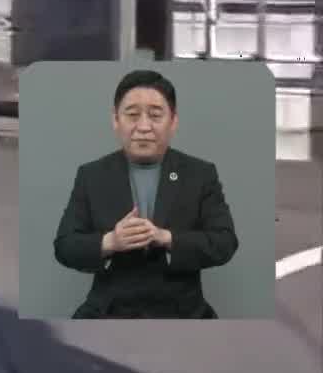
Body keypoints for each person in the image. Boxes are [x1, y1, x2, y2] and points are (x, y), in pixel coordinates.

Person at [52, 68, 238, 318]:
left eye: (155, 115)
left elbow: (225, 242)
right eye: (132, 115)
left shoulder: (200, 174)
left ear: (173, 122)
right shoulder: (91, 175)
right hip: (109, 311)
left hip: (183, 311)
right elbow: (65, 246)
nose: (143, 127)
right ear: (115, 121)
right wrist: (111, 242)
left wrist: (167, 238)